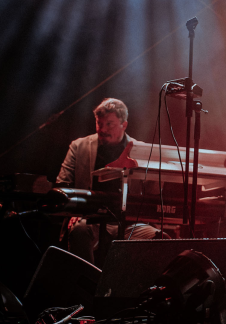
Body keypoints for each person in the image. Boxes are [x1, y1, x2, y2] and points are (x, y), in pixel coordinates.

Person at [56, 98, 158, 264]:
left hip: (130, 223)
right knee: (79, 230)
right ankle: (87, 286)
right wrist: (74, 211)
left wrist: (155, 166)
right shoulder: (78, 146)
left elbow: (154, 193)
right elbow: (63, 185)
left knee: (159, 238)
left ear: (123, 125)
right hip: (89, 219)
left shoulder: (141, 150)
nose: (102, 129)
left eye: (109, 124)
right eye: (99, 123)